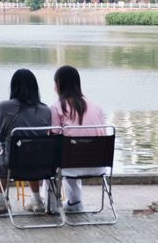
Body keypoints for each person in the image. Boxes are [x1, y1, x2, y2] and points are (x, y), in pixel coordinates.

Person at [0, 68, 51, 215]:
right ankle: (37, 200)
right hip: (40, 165)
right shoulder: (46, 110)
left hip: (13, 165)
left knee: (3, 158)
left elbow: (1, 136)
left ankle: (0, 201)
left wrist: (0, 145)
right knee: (32, 151)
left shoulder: (4, 106)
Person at [50, 65, 105, 213]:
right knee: (74, 149)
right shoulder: (97, 107)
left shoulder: (57, 107)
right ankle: (75, 202)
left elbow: (54, 138)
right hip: (99, 164)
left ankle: (51, 204)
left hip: (71, 165)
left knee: (52, 157)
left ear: (59, 84)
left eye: (54, 83)